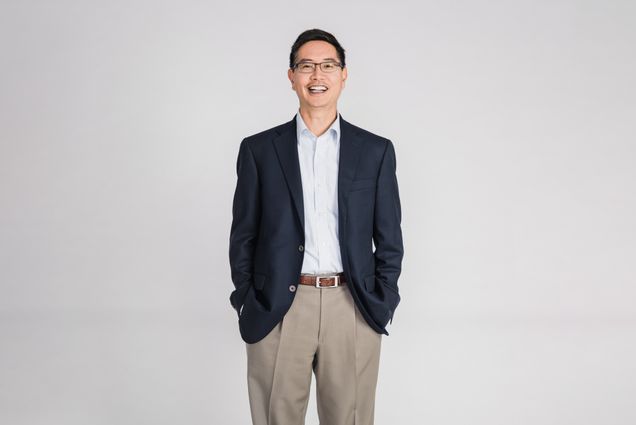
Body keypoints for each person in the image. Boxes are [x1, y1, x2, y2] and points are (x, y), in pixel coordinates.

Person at [229, 28, 404, 425]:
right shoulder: (259, 150)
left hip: (351, 305)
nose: (317, 75)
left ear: (344, 75)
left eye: (328, 65)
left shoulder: (375, 151)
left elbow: (389, 239)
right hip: (279, 308)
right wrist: (246, 299)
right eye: (306, 66)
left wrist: (383, 299)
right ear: (291, 76)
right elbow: (243, 235)